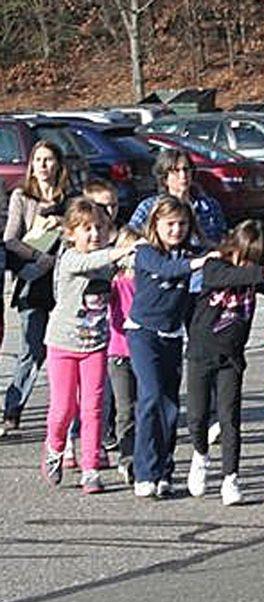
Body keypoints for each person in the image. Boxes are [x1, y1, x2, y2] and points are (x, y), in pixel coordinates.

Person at [185, 220, 264, 505]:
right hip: (201, 353)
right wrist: (262, 271)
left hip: (231, 358)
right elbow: (227, 278)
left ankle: (231, 478)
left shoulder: (254, 277)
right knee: (196, 415)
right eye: (248, 258)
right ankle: (200, 455)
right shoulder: (215, 266)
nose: (251, 266)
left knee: (229, 418)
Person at [39, 198, 135, 493]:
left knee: (93, 408)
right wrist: (120, 250)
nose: (94, 234)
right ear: (70, 233)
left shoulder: (107, 258)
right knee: (64, 407)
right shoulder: (70, 258)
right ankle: (55, 447)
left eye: (100, 228)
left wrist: (141, 251)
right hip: (63, 344)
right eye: (87, 229)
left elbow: (130, 265)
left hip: (95, 345)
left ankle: (91, 467)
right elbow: (91, 262)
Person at [128, 196, 217, 499]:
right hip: (143, 333)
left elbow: (216, 255)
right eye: (170, 224)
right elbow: (167, 270)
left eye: (182, 224)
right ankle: (144, 471)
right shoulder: (145, 252)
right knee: (150, 396)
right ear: (155, 224)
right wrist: (197, 263)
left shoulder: (191, 252)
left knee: (169, 406)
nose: (177, 229)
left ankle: (165, 470)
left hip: (171, 334)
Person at [2, 140, 69, 436]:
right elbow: (10, 240)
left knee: (63, 350)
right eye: (38, 159)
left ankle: (65, 411)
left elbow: (83, 232)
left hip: (63, 281)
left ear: (58, 164)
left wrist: (63, 226)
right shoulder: (22, 196)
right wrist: (39, 255)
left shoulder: (70, 198)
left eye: (48, 159)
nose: (43, 165)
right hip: (33, 279)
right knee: (32, 348)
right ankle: (13, 408)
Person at [128, 149, 227, 245]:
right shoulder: (148, 207)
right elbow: (129, 238)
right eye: (176, 170)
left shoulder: (210, 206)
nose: (183, 175)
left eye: (186, 169)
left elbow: (223, 238)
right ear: (165, 178)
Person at [107, 228, 143, 486]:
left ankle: (145, 455)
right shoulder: (115, 283)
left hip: (145, 351)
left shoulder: (147, 280)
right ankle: (127, 457)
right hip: (119, 353)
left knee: (146, 407)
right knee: (125, 409)